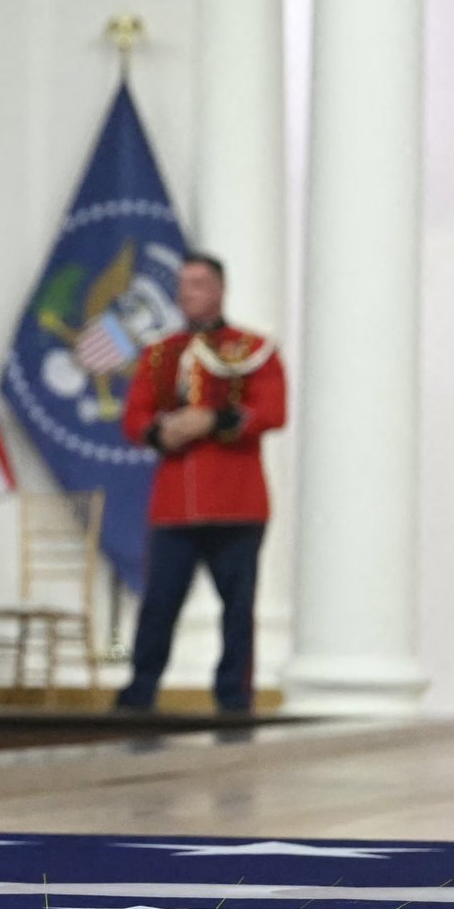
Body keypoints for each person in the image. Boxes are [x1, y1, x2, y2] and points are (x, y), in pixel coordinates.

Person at [110, 255, 285, 718]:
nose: (189, 292)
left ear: (220, 290)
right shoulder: (159, 355)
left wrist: (212, 419)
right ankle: (140, 692)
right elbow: (134, 417)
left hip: (236, 502)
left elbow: (272, 410)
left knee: (237, 609)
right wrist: (159, 431)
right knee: (159, 605)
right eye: (184, 284)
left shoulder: (252, 349)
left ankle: (233, 698)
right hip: (174, 506)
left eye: (200, 283)